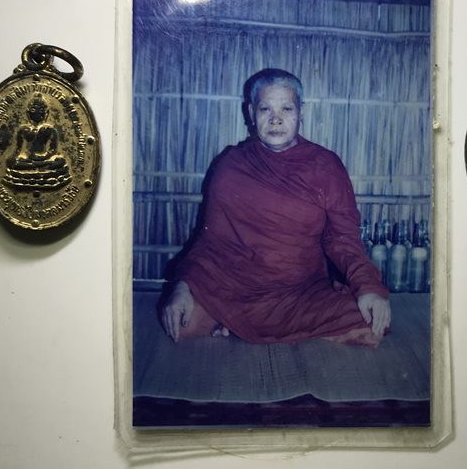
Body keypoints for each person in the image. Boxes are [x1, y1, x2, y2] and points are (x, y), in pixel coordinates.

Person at [160, 69, 391, 347]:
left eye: (286, 108)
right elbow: (210, 240)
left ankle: (234, 326)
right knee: (180, 320)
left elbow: (342, 238)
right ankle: (241, 323)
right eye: (265, 108)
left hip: (299, 291)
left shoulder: (325, 166)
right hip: (233, 287)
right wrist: (183, 286)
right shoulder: (232, 165)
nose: (276, 119)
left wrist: (367, 287)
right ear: (251, 112)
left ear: (301, 112)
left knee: (371, 321)